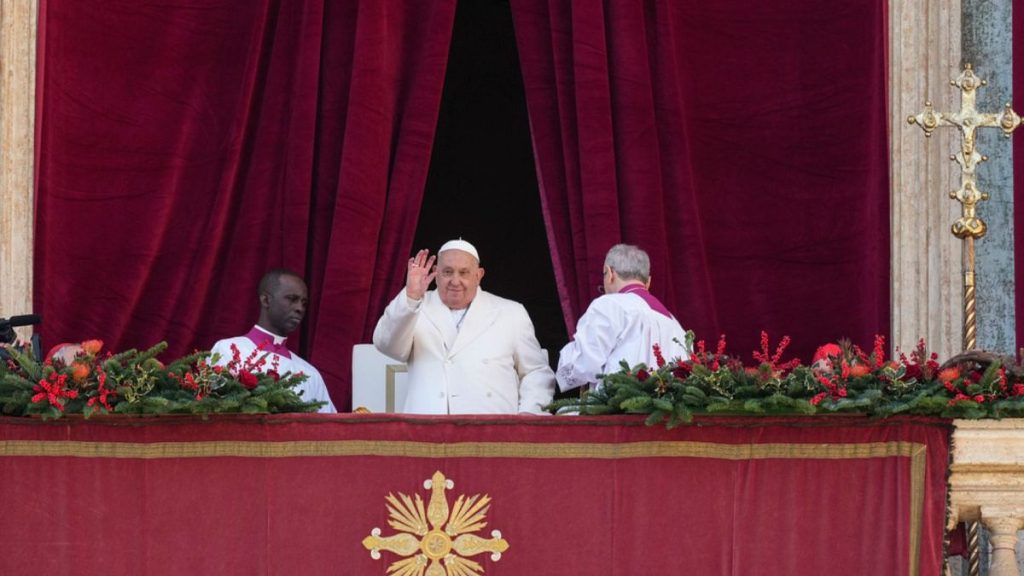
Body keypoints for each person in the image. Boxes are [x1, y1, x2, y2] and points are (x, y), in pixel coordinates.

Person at [373, 239, 555, 414]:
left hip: (491, 431)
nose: (455, 280)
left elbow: (536, 372)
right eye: (447, 272)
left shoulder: (510, 312)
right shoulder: (414, 305)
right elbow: (386, 345)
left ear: (478, 275)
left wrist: (529, 414)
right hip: (427, 431)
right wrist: (411, 296)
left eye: (464, 272)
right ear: (436, 273)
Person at [556, 244, 689, 392]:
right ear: (648, 282)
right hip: (665, 412)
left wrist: (567, 355)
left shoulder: (608, 304)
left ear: (610, 273)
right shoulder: (674, 323)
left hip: (617, 408)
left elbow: (584, 365)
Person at [211, 269, 336, 413]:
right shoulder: (227, 350)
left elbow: (328, 430)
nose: (299, 308)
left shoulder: (309, 373)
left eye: (304, 303)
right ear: (266, 300)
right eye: (292, 299)